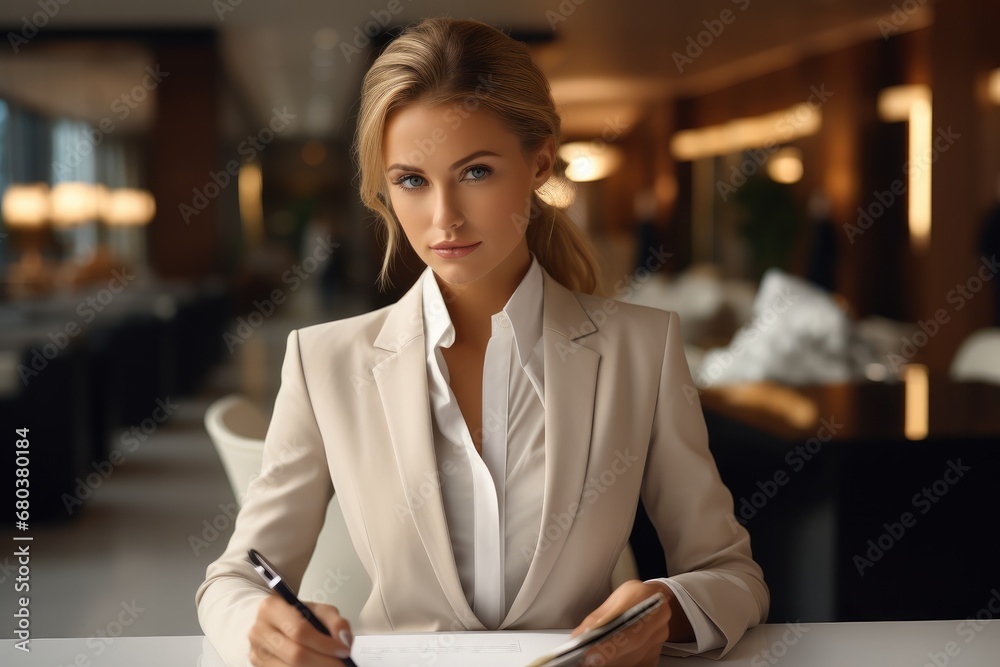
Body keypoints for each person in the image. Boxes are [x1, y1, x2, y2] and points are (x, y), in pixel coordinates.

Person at [196, 17, 768, 667]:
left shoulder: (643, 348)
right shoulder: (326, 361)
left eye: (475, 172)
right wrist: (260, 624)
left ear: (540, 163)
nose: (444, 217)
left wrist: (665, 610)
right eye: (412, 179)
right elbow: (232, 579)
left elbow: (732, 574)